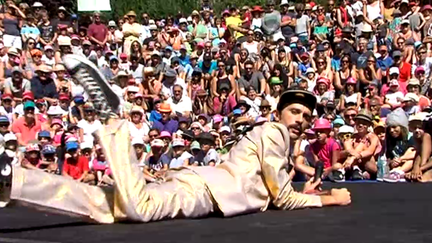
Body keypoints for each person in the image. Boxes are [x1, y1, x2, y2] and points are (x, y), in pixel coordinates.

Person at [0, 55, 351, 224]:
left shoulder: (274, 137)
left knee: (106, 205)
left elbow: (278, 186)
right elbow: (283, 199)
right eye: (296, 114)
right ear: (279, 114)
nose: (302, 121)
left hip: (201, 183)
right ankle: (113, 118)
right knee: (141, 209)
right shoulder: (274, 132)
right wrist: (328, 200)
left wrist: (305, 188)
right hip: (207, 192)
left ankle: (12, 180)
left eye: (307, 117)